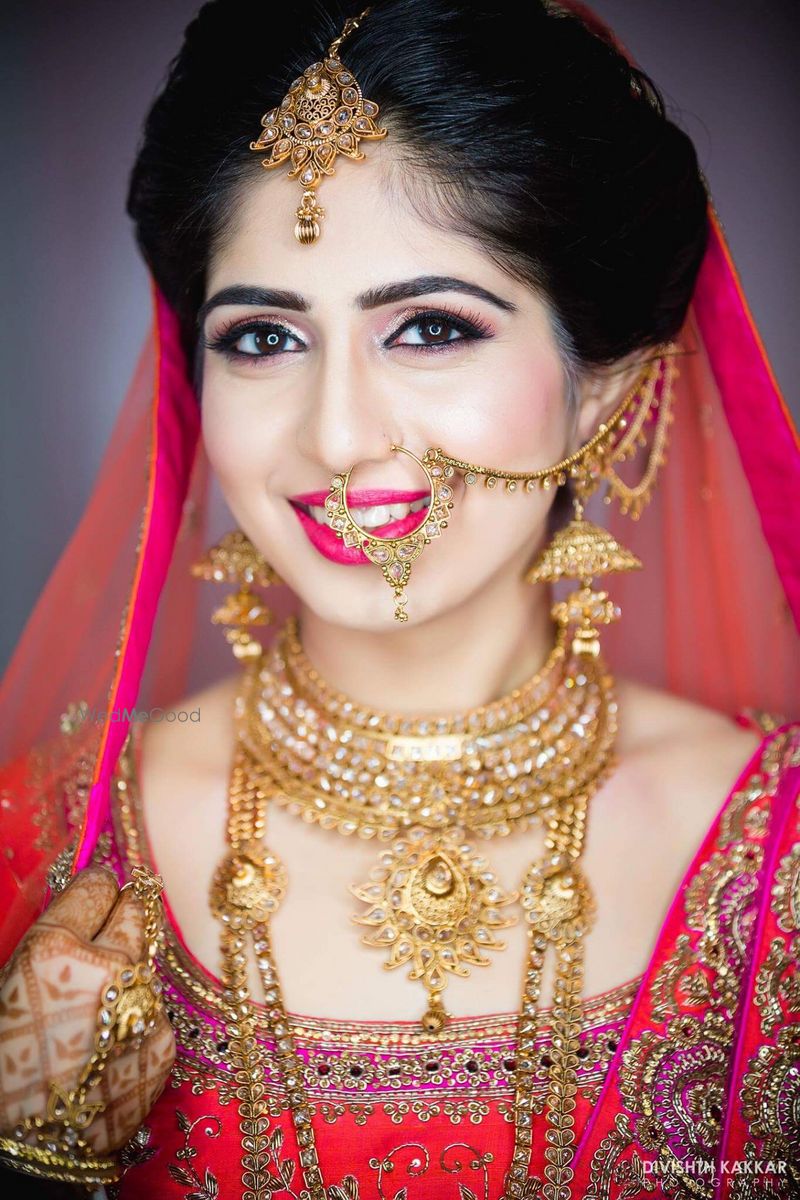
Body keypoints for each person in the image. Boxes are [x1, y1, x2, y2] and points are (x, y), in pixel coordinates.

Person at [0, 1, 798, 1197]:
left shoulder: (779, 859)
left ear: (602, 389)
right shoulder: (54, 843)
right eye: (263, 339)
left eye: (428, 328)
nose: (333, 438)